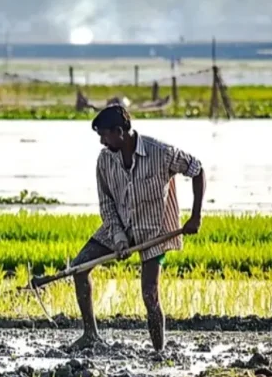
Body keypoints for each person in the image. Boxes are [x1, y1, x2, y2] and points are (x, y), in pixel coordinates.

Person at [67, 105, 206, 353]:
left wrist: (195, 217)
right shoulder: (105, 160)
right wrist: (119, 238)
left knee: (150, 294)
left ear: (119, 132)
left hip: (155, 231)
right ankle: (90, 334)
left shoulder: (161, 153)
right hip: (120, 224)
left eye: (104, 135)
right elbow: (107, 204)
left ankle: (158, 352)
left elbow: (197, 170)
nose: (101, 141)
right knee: (80, 267)